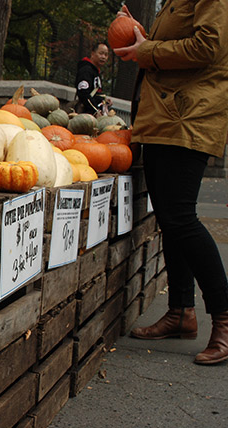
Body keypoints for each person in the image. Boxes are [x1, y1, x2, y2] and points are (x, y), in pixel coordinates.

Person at [114, 2, 228, 365]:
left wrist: (145, 50)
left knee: (181, 218)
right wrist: (142, 36)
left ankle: (223, 319)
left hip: (188, 117)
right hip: (165, 117)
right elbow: (180, 43)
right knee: (169, 219)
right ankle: (181, 312)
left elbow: (208, 47)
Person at [74, 42, 111, 115]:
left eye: (106, 55)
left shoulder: (96, 72)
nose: (103, 57)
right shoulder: (86, 71)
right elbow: (83, 94)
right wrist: (95, 110)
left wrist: (103, 100)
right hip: (87, 115)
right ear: (93, 54)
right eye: (101, 53)